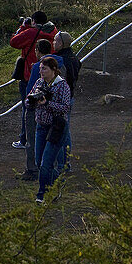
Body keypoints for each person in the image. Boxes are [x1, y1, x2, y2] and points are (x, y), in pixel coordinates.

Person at [18, 39, 65, 181]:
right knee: (54, 141)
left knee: (33, 141)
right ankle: (56, 169)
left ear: (38, 51)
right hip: (55, 114)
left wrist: (30, 101)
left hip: (37, 112)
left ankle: (33, 170)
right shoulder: (61, 65)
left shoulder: (38, 67)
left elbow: (30, 90)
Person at [10, 11, 58, 150]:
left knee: (28, 109)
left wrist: (23, 27)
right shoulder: (53, 30)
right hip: (50, 75)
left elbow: (14, 42)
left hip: (30, 75)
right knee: (47, 107)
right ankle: (44, 138)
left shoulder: (31, 32)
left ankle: (25, 140)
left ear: (34, 22)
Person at [27, 57, 72, 203]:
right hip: (41, 126)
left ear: (53, 70)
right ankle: (57, 183)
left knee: (47, 163)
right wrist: (31, 101)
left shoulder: (62, 85)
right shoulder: (39, 83)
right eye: (40, 68)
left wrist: (47, 103)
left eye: (44, 69)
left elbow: (66, 107)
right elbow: (29, 99)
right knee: (40, 161)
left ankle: (42, 195)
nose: (41, 71)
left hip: (57, 128)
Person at [52, 31, 81, 172]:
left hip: (63, 99)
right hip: (70, 97)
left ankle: (63, 164)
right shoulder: (74, 58)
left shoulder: (60, 60)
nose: (53, 42)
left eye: (55, 41)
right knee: (65, 130)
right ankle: (65, 163)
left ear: (61, 43)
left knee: (61, 132)